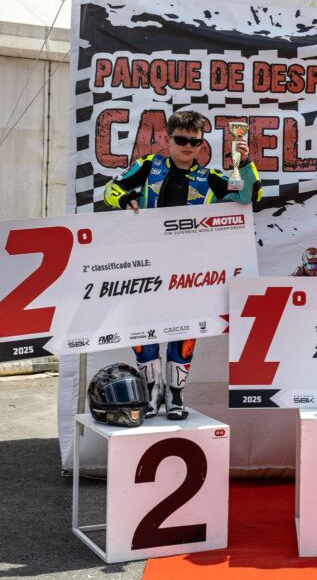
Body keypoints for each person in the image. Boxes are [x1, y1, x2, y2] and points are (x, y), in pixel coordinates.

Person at [103, 110, 261, 419]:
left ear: (202, 143)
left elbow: (249, 195)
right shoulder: (148, 166)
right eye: (181, 140)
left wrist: (244, 162)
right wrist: (123, 199)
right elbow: (111, 189)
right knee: (144, 331)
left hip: (189, 270)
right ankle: (150, 392)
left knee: (184, 330)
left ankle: (175, 395)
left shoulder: (211, 178)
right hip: (146, 267)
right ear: (168, 139)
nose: (188, 146)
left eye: (195, 141)